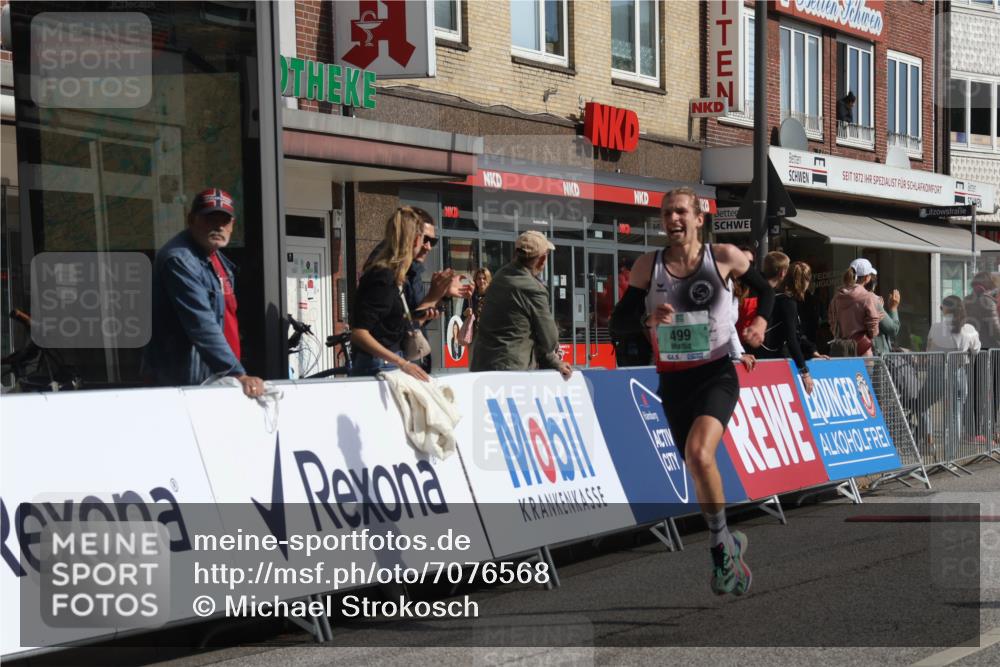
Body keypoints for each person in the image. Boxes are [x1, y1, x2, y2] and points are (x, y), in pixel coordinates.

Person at [611, 187, 774, 596]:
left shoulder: (723, 258)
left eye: (681, 212)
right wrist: (648, 319)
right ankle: (728, 538)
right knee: (695, 464)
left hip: (716, 373)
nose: (673, 220)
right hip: (673, 378)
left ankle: (719, 547)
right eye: (667, 213)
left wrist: (761, 324)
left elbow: (767, 291)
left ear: (700, 218)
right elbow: (619, 323)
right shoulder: (649, 267)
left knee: (701, 453)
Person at [145, 188, 265, 398]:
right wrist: (236, 373)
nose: (218, 226)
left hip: (218, 378)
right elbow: (201, 324)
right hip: (187, 385)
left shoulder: (218, 260)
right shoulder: (179, 260)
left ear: (232, 225)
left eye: (224, 221)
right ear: (191, 220)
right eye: (210, 219)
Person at [364, 207, 472, 372]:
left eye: (432, 242)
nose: (428, 247)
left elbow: (412, 317)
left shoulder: (412, 269)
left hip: (402, 358)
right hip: (387, 363)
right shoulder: (384, 272)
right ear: (410, 236)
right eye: (423, 239)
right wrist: (433, 297)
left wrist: (442, 296)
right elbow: (374, 330)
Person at [350, 207, 451, 381]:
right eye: (424, 239)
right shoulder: (383, 276)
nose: (427, 247)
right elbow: (359, 332)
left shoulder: (396, 275)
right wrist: (401, 363)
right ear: (415, 240)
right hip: (379, 365)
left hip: (389, 362)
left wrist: (438, 298)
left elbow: (394, 326)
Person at [469, 231, 573, 380]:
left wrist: (554, 362)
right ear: (542, 259)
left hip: (481, 367)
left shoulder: (499, 276)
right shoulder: (533, 288)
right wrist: (555, 359)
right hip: (511, 371)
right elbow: (549, 340)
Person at [749, 252, 816, 393]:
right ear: (783, 273)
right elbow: (792, 338)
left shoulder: (753, 291)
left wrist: (811, 350)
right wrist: (805, 372)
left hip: (749, 357)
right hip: (771, 361)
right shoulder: (785, 301)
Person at [927, 295, 982, 455]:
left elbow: (928, 351)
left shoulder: (935, 328)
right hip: (958, 373)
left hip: (936, 374)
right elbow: (977, 350)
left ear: (944, 309)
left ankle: (936, 447)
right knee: (956, 414)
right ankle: (951, 454)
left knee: (933, 410)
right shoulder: (969, 330)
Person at [828, 258, 880, 357]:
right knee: (864, 372)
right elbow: (873, 323)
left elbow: (832, 320)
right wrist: (871, 335)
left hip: (842, 349)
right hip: (862, 349)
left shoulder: (837, 296)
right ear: (866, 278)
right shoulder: (867, 297)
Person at [787, 261, 822, 347]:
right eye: (807, 278)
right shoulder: (788, 301)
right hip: (802, 346)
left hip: (801, 345)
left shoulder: (784, 298)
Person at [965, 272, 1000, 349]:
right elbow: (995, 331)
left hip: (971, 347)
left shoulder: (966, 300)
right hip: (989, 349)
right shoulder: (987, 301)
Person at [461, 267, 492, 342]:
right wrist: (466, 313)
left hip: (490, 336)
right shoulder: (470, 296)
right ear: (476, 280)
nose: (482, 281)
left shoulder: (493, 295)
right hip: (474, 335)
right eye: (479, 278)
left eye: (484, 278)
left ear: (488, 279)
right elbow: (462, 317)